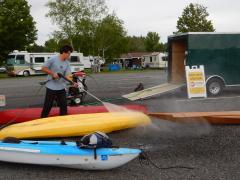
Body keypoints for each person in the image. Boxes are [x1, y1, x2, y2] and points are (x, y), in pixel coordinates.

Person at [41, 45, 77, 118]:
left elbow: (68, 75)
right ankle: (42, 119)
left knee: (64, 106)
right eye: (69, 53)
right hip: (51, 86)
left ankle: (63, 121)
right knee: (48, 105)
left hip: (61, 87)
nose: (69, 55)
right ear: (64, 52)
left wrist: (72, 82)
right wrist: (53, 74)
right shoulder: (53, 59)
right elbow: (43, 68)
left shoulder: (67, 63)